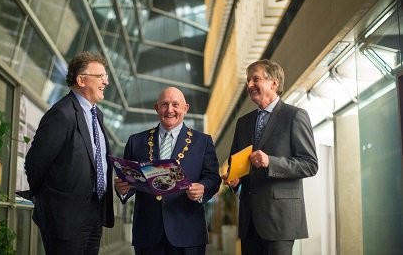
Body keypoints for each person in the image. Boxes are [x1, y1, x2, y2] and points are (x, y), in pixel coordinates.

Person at [223, 59, 318, 255]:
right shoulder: (243, 123)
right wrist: (236, 181)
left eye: (255, 79)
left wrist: (270, 162)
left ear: (274, 83)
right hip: (249, 222)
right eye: (248, 80)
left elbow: (310, 164)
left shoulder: (295, 116)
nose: (249, 85)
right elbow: (237, 165)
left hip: (280, 220)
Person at [25, 51, 114, 255]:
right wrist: (49, 205)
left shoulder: (96, 115)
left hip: (94, 213)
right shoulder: (61, 113)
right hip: (65, 218)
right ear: (81, 80)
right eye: (100, 76)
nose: (106, 82)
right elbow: (34, 164)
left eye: (106, 76)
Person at [114, 86, 221, 255]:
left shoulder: (203, 142)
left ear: (185, 108)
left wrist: (202, 188)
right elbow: (128, 179)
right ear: (156, 108)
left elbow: (213, 178)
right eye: (164, 104)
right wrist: (122, 189)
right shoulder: (136, 141)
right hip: (148, 233)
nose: (170, 110)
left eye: (175, 104)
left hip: (188, 232)